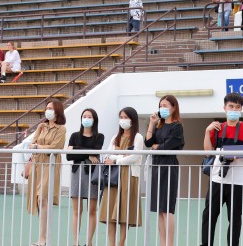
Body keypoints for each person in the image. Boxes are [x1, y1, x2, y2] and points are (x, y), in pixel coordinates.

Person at [201, 92, 243, 246]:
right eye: (231, 106)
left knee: (234, 218)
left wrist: (234, 155)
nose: (234, 110)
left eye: (237, 107)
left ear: (241, 109)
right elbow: (208, 151)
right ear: (224, 108)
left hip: (238, 181)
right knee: (209, 215)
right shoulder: (217, 128)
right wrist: (207, 131)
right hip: (217, 178)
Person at [144, 95, 185, 246]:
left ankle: (169, 243)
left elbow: (167, 146)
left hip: (168, 166)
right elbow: (148, 142)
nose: (162, 108)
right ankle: (162, 243)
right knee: (160, 209)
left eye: (165, 106)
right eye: (160, 106)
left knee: (167, 208)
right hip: (156, 166)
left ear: (173, 108)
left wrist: (157, 146)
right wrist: (151, 123)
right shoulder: (159, 126)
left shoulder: (177, 127)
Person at [99, 107, 144, 246]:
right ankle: (112, 243)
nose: (123, 120)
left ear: (133, 119)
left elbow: (134, 157)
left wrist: (116, 159)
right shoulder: (115, 137)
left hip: (129, 176)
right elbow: (107, 155)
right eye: (121, 117)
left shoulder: (138, 137)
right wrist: (121, 156)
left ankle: (121, 242)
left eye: (126, 117)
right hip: (113, 177)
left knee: (125, 212)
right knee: (109, 211)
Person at [25, 99, 67, 246]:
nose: (47, 110)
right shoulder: (41, 126)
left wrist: (38, 147)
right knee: (38, 200)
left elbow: (55, 147)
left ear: (57, 111)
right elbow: (32, 144)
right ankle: (42, 237)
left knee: (43, 198)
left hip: (50, 164)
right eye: (47, 108)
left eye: (51, 108)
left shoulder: (61, 129)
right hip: (37, 163)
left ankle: (44, 239)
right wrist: (38, 146)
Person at [66, 108, 104, 246]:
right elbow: (69, 156)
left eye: (89, 116)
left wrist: (76, 150)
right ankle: (75, 242)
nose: (86, 119)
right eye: (84, 116)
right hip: (77, 173)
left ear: (94, 120)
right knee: (77, 210)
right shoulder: (74, 136)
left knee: (92, 210)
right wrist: (88, 154)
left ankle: (89, 242)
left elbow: (96, 150)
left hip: (92, 174)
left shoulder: (99, 137)